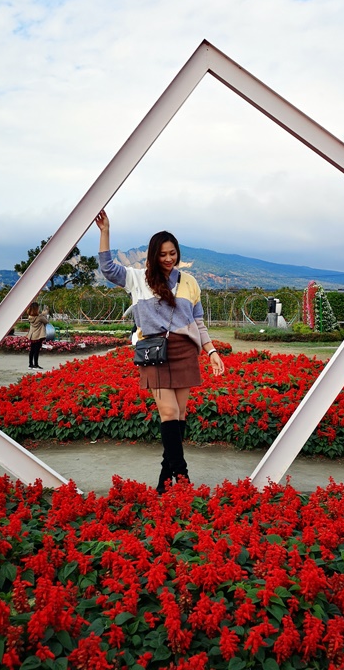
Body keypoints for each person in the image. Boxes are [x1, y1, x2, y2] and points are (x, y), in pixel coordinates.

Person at [95, 209, 225, 493]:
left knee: (179, 415)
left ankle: (165, 482)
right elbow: (107, 269)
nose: (168, 259)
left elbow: (199, 323)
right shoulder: (138, 279)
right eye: (163, 254)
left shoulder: (190, 282)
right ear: (154, 255)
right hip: (154, 352)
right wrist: (105, 232)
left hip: (184, 352)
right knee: (168, 412)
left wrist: (212, 351)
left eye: (172, 253)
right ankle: (184, 477)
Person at [27, 301, 49, 370]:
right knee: (36, 351)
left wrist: (42, 314)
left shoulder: (30, 316)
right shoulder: (39, 317)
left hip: (32, 335)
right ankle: (36, 365)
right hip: (38, 336)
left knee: (32, 350)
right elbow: (46, 321)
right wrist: (44, 314)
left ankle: (30, 364)